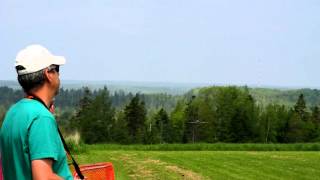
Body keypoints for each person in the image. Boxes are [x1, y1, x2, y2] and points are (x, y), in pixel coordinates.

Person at [0, 44, 72, 180]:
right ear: (48, 74)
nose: (59, 74)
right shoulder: (41, 118)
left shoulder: (13, 112)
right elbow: (43, 177)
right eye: (56, 69)